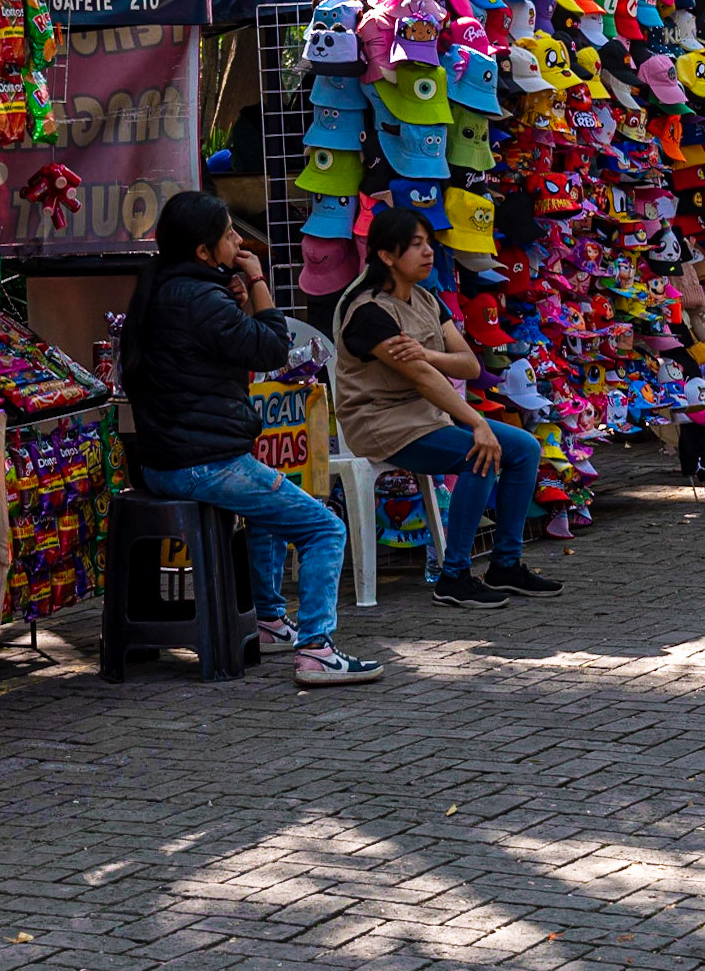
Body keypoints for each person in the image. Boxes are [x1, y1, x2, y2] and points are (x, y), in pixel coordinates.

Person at [122, 191, 382, 686]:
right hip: (202, 462)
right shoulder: (199, 299)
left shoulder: (167, 289)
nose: (238, 241)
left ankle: (267, 619)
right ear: (203, 251)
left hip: (164, 458)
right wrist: (258, 280)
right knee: (325, 529)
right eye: (228, 235)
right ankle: (317, 650)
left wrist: (234, 294)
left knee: (267, 507)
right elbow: (270, 349)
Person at [333, 207, 563, 609]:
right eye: (416, 245)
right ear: (387, 256)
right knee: (479, 454)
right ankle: (453, 575)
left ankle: (505, 564)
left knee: (524, 448)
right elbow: (422, 378)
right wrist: (476, 422)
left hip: (425, 418)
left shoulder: (426, 299)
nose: (428, 254)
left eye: (429, 244)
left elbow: (470, 364)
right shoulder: (368, 311)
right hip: (381, 422)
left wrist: (425, 352)